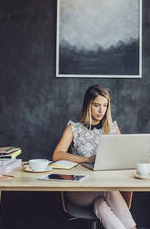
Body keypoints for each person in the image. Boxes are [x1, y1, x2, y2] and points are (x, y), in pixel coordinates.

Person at [52, 84, 137, 229]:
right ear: (88, 105)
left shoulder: (113, 128)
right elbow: (57, 155)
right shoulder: (74, 128)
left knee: (101, 206)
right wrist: (87, 159)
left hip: (105, 187)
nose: (101, 110)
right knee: (108, 190)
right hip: (79, 190)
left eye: (105, 105)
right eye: (97, 105)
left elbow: (124, 154)